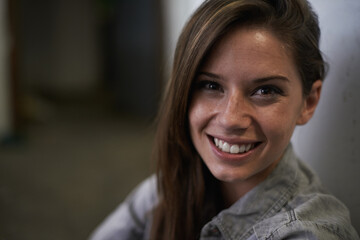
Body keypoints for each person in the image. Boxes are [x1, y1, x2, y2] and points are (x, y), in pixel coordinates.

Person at [90, 0, 359, 239]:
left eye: (265, 90)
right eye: (210, 85)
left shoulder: (307, 232)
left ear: (308, 102)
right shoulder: (170, 185)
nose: (231, 118)